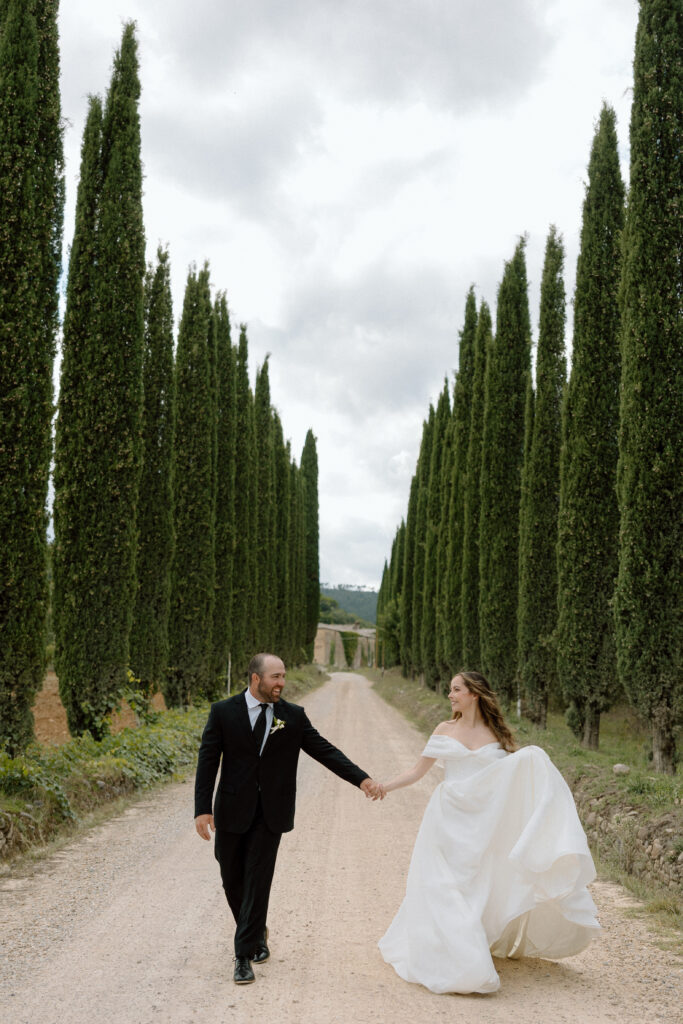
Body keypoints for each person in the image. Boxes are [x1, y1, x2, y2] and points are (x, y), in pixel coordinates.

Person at [377, 670, 600, 995]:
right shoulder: (444, 729)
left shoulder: (495, 733)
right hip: (447, 818)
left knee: (478, 884)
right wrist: (384, 787)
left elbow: (506, 778)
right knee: (443, 885)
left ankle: (472, 941)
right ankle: (456, 957)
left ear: (474, 694)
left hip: (482, 824)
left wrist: (533, 765)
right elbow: (416, 771)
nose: (450, 695)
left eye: (456, 690)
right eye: (451, 690)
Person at [194, 652, 382, 985]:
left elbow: (325, 751)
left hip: (271, 814)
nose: (282, 683)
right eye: (275, 677)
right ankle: (256, 931)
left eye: (283, 676)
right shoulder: (223, 712)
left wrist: (361, 779)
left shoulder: (292, 717)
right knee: (231, 878)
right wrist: (202, 808)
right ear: (256, 679)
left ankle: (242, 955)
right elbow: (208, 761)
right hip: (231, 810)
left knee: (257, 879)